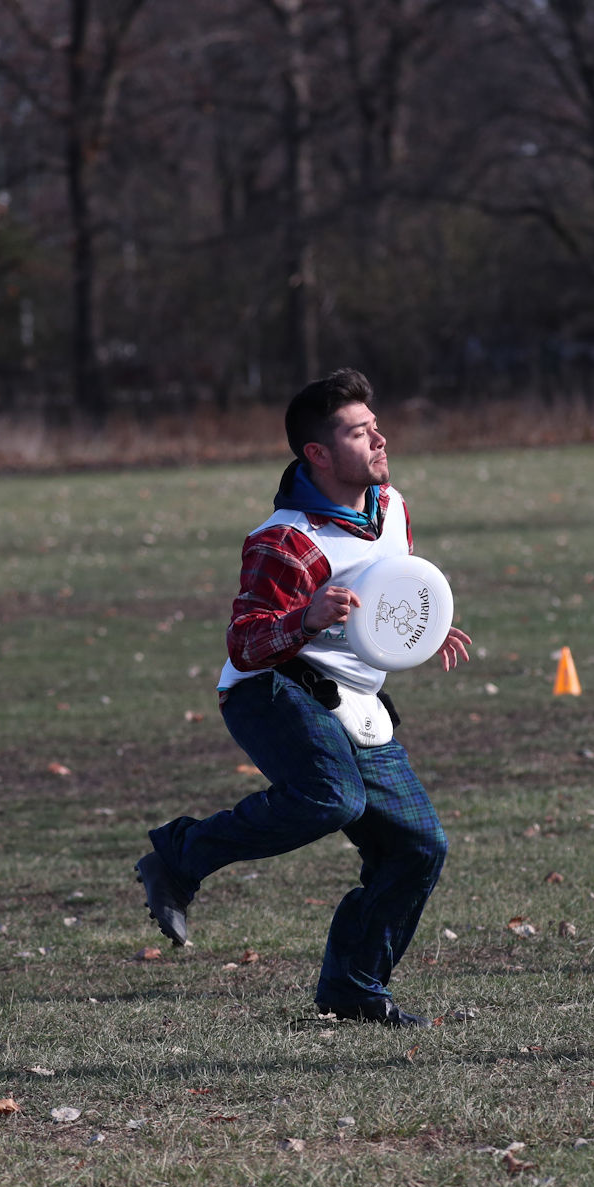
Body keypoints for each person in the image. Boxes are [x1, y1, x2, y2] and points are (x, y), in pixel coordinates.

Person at [135, 368, 472, 1028]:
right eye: (359, 431)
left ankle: (352, 989)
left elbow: (387, 596)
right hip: (272, 690)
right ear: (317, 453)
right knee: (331, 797)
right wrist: (308, 618)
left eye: (375, 425)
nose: (380, 438)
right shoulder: (284, 540)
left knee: (420, 847)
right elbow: (244, 643)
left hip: (355, 702)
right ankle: (180, 855)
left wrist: (420, 633)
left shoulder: (393, 506)